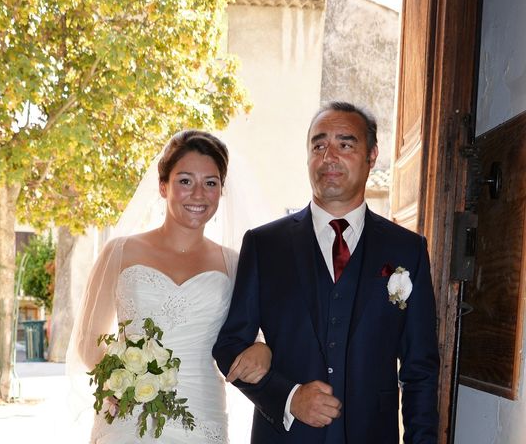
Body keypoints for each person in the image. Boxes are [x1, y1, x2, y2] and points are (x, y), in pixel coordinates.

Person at [213, 101, 440, 443]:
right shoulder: (264, 244)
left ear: (372, 155)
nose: (329, 157)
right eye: (318, 146)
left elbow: (419, 368)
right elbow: (229, 346)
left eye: (345, 144)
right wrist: (289, 397)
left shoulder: (408, 250)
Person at [68, 130, 271, 443]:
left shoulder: (235, 263)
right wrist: (118, 379)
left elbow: (254, 332)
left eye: (211, 183)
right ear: (163, 186)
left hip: (202, 414)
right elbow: (88, 338)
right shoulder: (121, 251)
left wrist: (262, 347)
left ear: (221, 190)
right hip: (128, 414)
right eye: (185, 181)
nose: (199, 194)